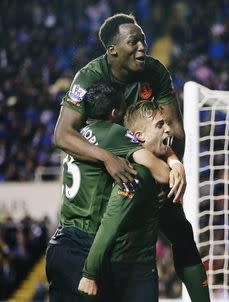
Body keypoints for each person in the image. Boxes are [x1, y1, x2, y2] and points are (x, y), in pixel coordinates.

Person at [53, 13, 210, 301]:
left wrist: (174, 167)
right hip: (110, 166)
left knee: (180, 231)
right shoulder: (90, 76)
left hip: (146, 159)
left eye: (143, 41)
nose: (142, 47)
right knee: (112, 233)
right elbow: (62, 134)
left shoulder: (155, 71)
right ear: (112, 50)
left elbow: (174, 127)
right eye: (133, 41)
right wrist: (105, 158)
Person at [46, 83, 178, 301]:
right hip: (84, 243)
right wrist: (174, 162)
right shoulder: (114, 134)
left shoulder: (78, 136)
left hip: (59, 245)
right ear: (115, 112)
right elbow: (162, 173)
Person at [78, 100, 176, 301]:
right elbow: (110, 224)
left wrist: (175, 161)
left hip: (144, 266)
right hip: (123, 271)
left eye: (166, 123)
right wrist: (90, 273)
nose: (168, 129)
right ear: (139, 136)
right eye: (159, 125)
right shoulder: (134, 173)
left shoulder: (154, 167)